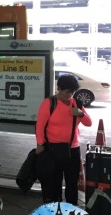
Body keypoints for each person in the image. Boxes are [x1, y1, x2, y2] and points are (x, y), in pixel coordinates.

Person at [35, 74, 92, 204]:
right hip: (54, 149)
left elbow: (89, 123)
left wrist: (80, 113)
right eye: (66, 92)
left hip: (73, 149)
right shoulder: (49, 103)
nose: (69, 95)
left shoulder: (76, 104)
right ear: (59, 88)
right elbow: (40, 126)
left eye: (72, 92)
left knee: (72, 182)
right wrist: (40, 144)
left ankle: (72, 209)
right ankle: (56, 210)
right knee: (55, 182)